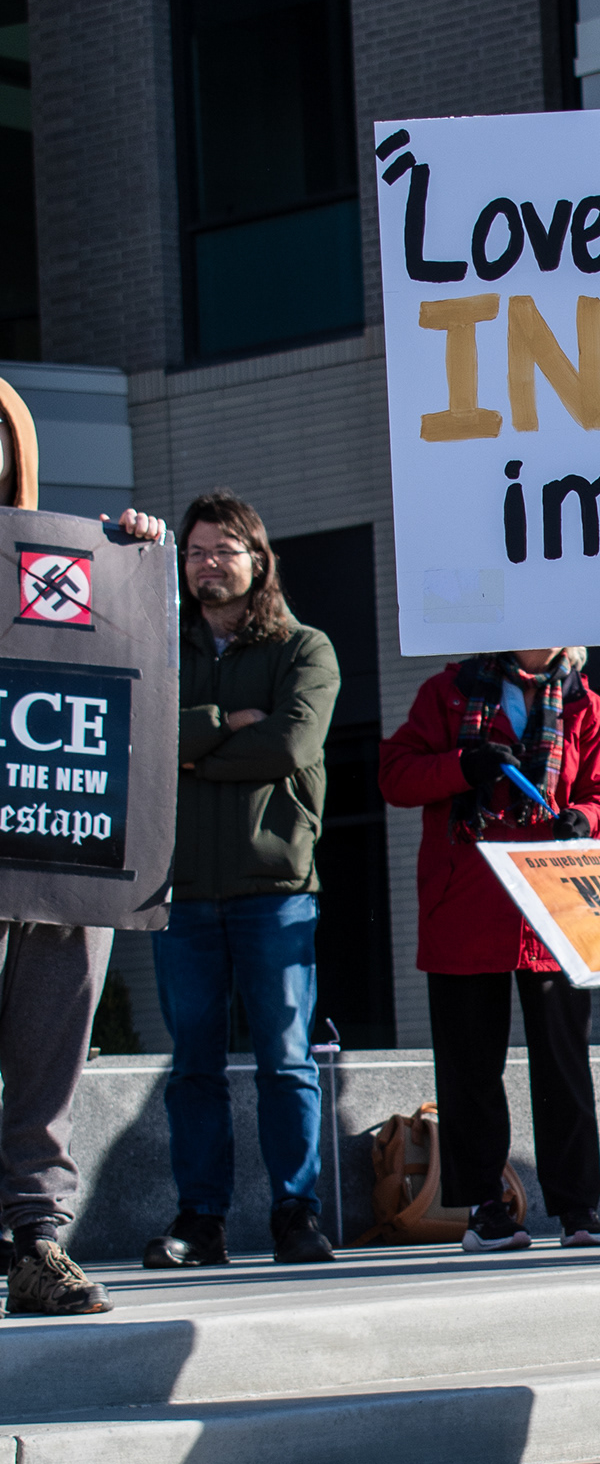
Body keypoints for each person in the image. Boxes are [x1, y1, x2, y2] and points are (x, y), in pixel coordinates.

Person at [0, 395, 168, 1313]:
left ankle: (36, 1243)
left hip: (67, 853)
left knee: (51, 1058)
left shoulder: (66, 560)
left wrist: (131, 553)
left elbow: (130, 660)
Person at [143, 491, 341, 1272]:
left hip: (275, 889)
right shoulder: (163, 645)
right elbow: (143, 733)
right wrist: (224, 724)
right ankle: (202, 1221)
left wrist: (189, 746)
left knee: (286, 1060)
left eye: (224, 549)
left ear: (258, 560)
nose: (207, 564)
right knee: (192, 1066)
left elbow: (290, 745)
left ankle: (297, 1214)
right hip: (182, 889)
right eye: (194, 552)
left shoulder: (305, 648)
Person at [379, 645, 600, 1250]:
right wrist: (465, 766)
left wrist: (586, 821)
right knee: (469, 1069)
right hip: (464, 903)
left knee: (564, 1067)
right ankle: (486, 1209)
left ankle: (577, 1210)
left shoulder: (585, 704)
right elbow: (396, 776)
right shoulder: (448, 692)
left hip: (550, 909)